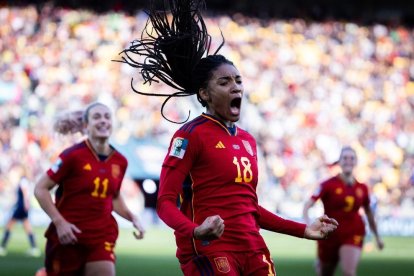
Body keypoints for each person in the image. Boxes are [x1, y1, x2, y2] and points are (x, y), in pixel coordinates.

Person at [118, 1, 338, 275]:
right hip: (210, 250)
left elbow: (249, 209)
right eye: (224, 82)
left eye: (238, 80)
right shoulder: (190, 135)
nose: (235, 87)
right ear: (204, 94)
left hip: (253, 248)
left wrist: (303, 229)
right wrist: (195, 230)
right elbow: (164, 202)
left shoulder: (248, 140)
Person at [34, 102, 145, 276]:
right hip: (68, 236)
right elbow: (40, 189)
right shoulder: (72, 156)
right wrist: (60, 222)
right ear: (86, 126)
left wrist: (133, 217)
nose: (103, 121)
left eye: (107, 117)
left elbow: (113, 197)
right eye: (97, 117)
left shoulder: (121, 161)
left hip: (101, 237)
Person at [303, 146, 384, 276]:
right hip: (329, 234)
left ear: (356, 162)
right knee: (325, 273)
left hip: (353, 232)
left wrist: (377, 237)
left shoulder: (362, 188)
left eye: (351, 158)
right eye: (345, 158)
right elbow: (308, 205)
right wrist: (308, 225)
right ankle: (320, 262)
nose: (348, 161)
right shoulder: (327, 185)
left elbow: (369, 212)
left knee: (349, 272)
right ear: (339, 161)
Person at [0, 166, 41, 257]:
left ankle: (2, 247)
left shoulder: (23, 181)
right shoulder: (25, 180)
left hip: (21, 207)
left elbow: (25, 193)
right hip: (22, 206)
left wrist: (26, 204)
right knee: (27, 227)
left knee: (9, 224)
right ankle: (34, 248)